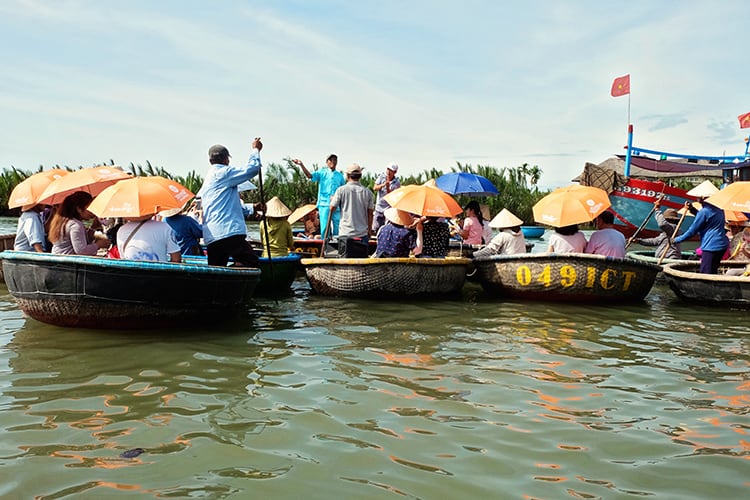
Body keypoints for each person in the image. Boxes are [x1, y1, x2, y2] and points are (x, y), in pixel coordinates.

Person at [199, 139, 263, 267]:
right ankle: (236, 278)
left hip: (212, 236)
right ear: (226, 160)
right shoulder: (223, 172)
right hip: (228, 232)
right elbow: (253, 169)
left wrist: (253, 207)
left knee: (217, 270)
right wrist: (256, 150)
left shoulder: (209, 179)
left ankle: (223, 284)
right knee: (251, 262)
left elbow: (230, 207)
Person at [291, 154, 345, 238]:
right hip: (324, 204)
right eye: (331, 160)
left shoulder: (340, 176)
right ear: (327, 162)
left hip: (336, 204)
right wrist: (301, 164)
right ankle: (325, 244)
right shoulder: (322, 172)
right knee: (324, 227)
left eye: (335, 160)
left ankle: (336, 243)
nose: (333, 162)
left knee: (337, 224)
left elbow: (343, 190)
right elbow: (309, 176)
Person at [329, 163, 374, 257]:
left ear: (347, 176)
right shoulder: (368, 192)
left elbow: (332, 208)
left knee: (344, 262)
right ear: (360, 176)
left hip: (345, 233)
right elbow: (370, 213)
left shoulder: (341, 190)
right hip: (362, 234)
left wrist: (332, 200)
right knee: (362, 264)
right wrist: (369, 230)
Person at [674, 200, 729, 274]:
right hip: (721, 245)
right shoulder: (720, 210)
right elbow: (706, 218)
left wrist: (676, 240)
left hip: (711, 246)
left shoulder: (704, 211)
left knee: (706, 272)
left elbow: (692, 231)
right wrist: (692, 209)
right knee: (713, 270)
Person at [49, 191, 110, 255]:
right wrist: (98, 245)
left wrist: (92, 229)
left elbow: (77, 242)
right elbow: (81, 251)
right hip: (68, 262)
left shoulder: (63, 222)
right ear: (79, 209)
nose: (93, 212)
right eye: (89, 208)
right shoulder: (75, 225)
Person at [117, 214, 181, 262]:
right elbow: (176, 258)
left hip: (130, 276)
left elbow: (123, 258)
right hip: (159, 276)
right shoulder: (164, 227)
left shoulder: (121, 230)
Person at [371, 163, 401, 233]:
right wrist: (383, 185)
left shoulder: (397, 182)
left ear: (395, 172)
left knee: (387, 228)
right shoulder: (381, 177)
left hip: (388, 209)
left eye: (390, 170)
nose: (388, 171)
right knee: (376, 228)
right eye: (388, 169)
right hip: (379, 208)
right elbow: (375, 188)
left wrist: (387, 187)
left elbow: (392, 196)